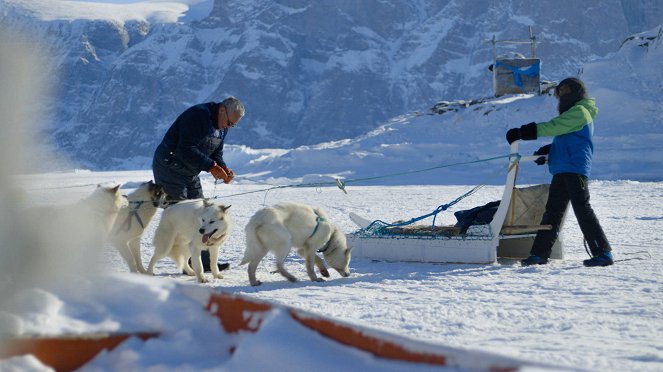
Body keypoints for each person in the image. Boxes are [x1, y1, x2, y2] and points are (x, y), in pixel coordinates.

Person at [505, 77, 613, 267]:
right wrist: (547, 151)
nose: (561, 96)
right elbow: (564, 138)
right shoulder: (574, 113)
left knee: (582, 209)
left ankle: (603, 253)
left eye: (565, 91)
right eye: (559, 92)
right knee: (552, 213)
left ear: (575, 92)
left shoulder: (580, 111)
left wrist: (524, 132)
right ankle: (539, 254)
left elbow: (556, 126)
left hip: (574, 168)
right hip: (563, 168)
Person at [153, 96, 245, 272]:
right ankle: (187, 263)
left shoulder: (222, 126)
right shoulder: (198, 116)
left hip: (189, 171)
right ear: (222, 110)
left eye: (233, 125)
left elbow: (216, 153)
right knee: (181, 213)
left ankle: (206, 262)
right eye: (229, 123)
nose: (229, 127)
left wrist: (223, 169)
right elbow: (185, 148)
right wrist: (211, 167)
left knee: (205, 212)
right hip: (169, 166)